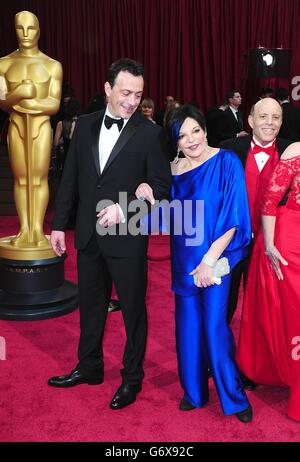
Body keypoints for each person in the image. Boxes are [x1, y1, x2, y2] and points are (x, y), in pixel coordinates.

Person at [47, 58, 172, 410]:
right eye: (126, 92)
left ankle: (131, 378)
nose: (133, 101)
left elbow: (162, 190)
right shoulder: (84, 125)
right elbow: (70, 177)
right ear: (107, 89)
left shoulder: (150, 133)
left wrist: (128, 206)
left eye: (139, 94)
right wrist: (58, 224)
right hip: (87, 234)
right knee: (90, 307)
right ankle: (90, 367)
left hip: (128, 238)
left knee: (133, 312)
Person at [138, 105, 253, 422]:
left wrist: (209, 260)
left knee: (215, 329)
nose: (191, 140)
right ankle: (194, 392)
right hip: (183, 263)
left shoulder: (226, 161)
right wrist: (148, 196)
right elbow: (172, 220)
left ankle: (235, 397)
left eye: (196, 131)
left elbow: (233, 217)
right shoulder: (173, 171)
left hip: (215, 263)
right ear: (174, 141)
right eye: (182, 136)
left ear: (205, 130)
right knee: (187, 331)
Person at [237, 143, 300, 422]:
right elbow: (270, 201)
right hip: (291, 242)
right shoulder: (295, 151)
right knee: (290, 311)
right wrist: (270, 245)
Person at [220, 98, 292, 326]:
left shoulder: (291, 152)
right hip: (230, 242)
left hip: (270, 246)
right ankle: (218, 356)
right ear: (250, 120)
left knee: (264, 311)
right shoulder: (228, 149)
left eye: (276, 117)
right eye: (263, 116)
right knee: (223, 305)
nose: (270, 123)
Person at [0, 11, 62, 248]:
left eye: (31, 28)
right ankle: (24, 227)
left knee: (39, 178)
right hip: (17, 126)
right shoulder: (4, 64)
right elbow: (3, 100)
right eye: (20, 28)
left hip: (40, 128)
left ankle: (36, 228)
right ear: (14, 30)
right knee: (21, 179)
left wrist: (28, 101)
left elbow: (53, 105)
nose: (26, 34)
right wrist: (20, 93)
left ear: (39, 30)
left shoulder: (52, 66)